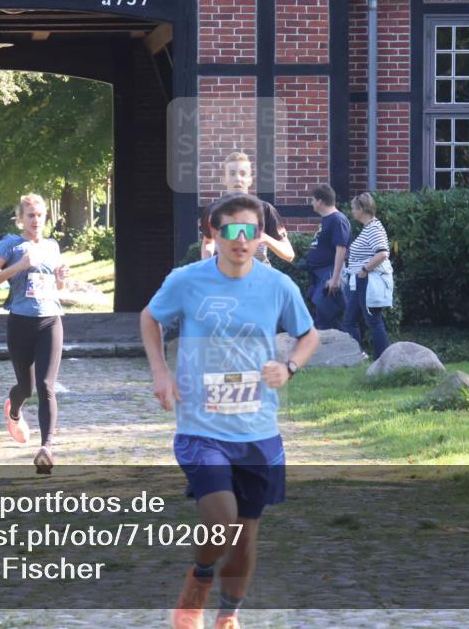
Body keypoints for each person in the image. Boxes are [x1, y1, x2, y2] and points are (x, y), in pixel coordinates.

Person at [140, 193, 319, 629]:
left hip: (258, 429)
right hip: (202, 426)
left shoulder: (278, 286)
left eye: (252, 231)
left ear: (261, 236)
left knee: (246, 534)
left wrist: (289, 366)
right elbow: (150, 317)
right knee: (221, 520)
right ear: (213, 234)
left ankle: (227, 616)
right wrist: (161, 373)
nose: (243, 240)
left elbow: (308, 334)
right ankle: (197, 583)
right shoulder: (187, 280)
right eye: (232, 231)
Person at [0, 194, 69, 474]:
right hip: (20, 323)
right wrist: (19, 266)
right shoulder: (11, 245)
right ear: (21, 218)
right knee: (26, 388)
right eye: (30, 215)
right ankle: (14, 410)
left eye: (40, 215)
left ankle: (46, 448)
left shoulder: (53, 246)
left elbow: (59, 288)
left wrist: (62, 279)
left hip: (50, 321)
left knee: (45, 386)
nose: (36, 220)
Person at [200, 151, 294, 265]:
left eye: (243, 173)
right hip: (224, 278)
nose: (238, 178)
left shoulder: (265, 209)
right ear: (224, 179)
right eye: (232, 173)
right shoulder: (212, 211)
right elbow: (208, 242)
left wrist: (264, 237)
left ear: (250, 179)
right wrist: (207, 263)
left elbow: (289, 254)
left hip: (259, 279)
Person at [340, 193, 391, 360]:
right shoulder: (368, 228)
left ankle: (383, 360)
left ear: (362, 209)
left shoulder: (374, 228)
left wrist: (364, 269)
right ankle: (357, 356)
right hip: (360, 281)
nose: (352, 211)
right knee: (349, 320)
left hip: (367, 281)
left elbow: (382, 253)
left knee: (373, 321)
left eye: (354, 208)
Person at [304, 183, 351, 330]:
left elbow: (341, 249)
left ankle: (354, 349)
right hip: (320, 273)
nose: (311, 203)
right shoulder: (327, 219)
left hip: (330, 273)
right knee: (324, 317)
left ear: (320, 201)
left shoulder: (338, 220)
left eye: (312, 200)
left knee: (325, 316)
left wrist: (335, 278)